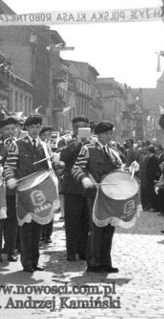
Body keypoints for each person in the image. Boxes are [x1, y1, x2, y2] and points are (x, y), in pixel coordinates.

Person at [4, 114, 56, 273]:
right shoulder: (17, 145)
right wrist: (10, 179)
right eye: (32, 127)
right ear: (26, 128)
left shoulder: (45, 146)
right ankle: (27, 262)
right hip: (25, 191)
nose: (35, 130)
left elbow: (50, 168)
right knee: (27, 227)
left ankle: (35, 260)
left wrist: (58, 162)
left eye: (37, 127)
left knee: (39, 226)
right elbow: (9, 166)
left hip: (41, 191)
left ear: (41, 128)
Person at [72, 121, 124, 273]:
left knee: (109, 227)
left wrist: (130, 168)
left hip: (110, 195)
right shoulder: (87, 149)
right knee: (96, 228)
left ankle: (105, 262)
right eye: (106, 134)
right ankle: (93, 262)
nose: (109, 136)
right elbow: (76, 168)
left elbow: (119, 169)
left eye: (110, 134)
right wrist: (84, 178)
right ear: (98, 134)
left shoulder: (112, 151)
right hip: (94, 194)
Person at [59, 116, 91, 262]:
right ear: (73, 128)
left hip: (88, 187)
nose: (80, 129)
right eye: (77, 126)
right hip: (71, 187)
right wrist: (77, 143)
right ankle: (71, 251)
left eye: (84, 126)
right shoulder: (66, 141)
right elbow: (62, 157)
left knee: (86, 221)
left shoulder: (93, 142)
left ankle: (83, 250)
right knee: (72, 222)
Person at [0, 116, 19, 263]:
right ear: (1, 130)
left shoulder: (20, 144)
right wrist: (4, 151)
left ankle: (10, 249)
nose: (10, 132)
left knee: (12, 220)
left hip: (13, 189)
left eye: (13, 129)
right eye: (7, 129)